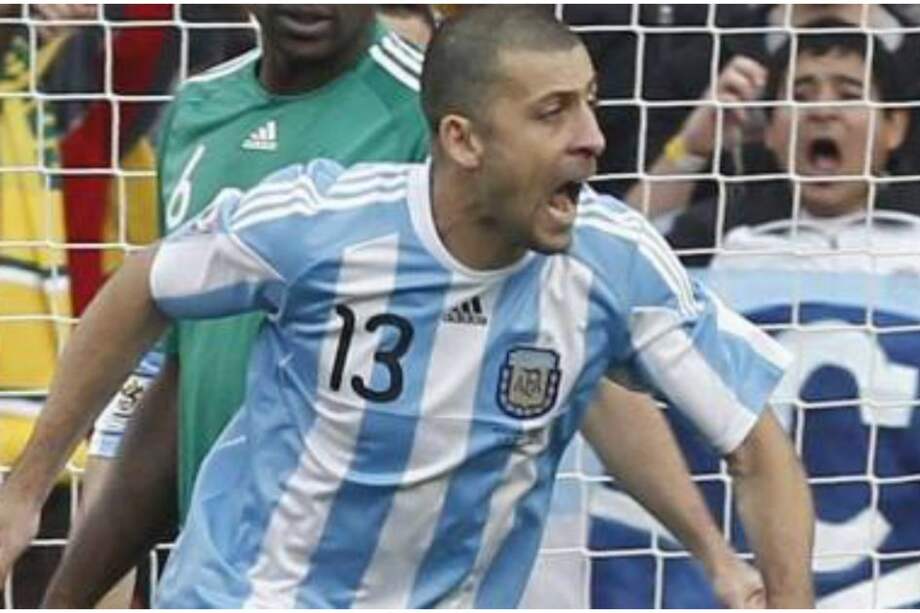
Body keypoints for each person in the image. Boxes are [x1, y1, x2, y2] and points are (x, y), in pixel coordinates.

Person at [1, 7, 814, 607]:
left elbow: (746, 434)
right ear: (460, 140)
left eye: (590, 102)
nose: (595, 137)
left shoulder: (610, 259)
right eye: (553, 111)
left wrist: (745, 569)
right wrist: (29, 490)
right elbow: (148, 293)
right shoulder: (311, 217)